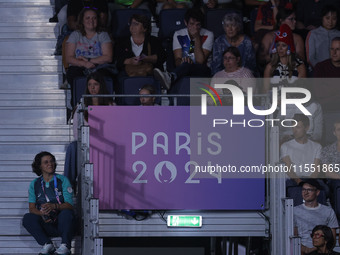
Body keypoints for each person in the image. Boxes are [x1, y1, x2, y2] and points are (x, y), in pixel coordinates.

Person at [22, 152, 75, 255]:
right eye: (46, 162)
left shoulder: (63, 180)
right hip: (47, 224)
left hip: (63, 224)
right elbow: (32, 209)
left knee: (67, 213)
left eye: (51, 161)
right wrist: (42, 214)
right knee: (27, 218)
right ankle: (47, 244)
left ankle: (65, 246)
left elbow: (70, 205)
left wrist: (54, 206)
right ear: (40, 166)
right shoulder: (35, 184)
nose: (50, 164)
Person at [153, 8, 213, 90]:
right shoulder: (178, 34)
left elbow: (200, 61)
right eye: (191, 24)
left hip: (202, 70)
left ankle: (170, 77)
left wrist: (197, 37)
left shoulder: (208, 34)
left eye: (198, 24)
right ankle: (171, 77)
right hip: (184, 68)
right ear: (185, 22)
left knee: (191, 66)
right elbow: (177, 61)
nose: (195, 27)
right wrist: (182, 61)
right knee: (186, 65)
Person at [65, 7, 113, 107]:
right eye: (87, 18)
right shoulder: (75, 35)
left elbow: (108, 57)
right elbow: (69, 58)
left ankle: (104, 106)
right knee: (73, 74)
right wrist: (85, 63)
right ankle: (77, 107)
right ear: (82, 20)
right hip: (79, 65)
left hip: (99, 66)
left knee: (104, 76)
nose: (91, 21)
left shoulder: (103, 35)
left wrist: (90, 60)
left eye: (94, 18)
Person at [114, 14, 166, 84]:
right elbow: (116, 60)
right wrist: (130, 61)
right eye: (131, 23)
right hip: (127, 75)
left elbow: (161, 57)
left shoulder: (154, 41)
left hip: (149, 75)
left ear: (144, 28)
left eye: (136, 24)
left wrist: (146, 58)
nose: (132, 26)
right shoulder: (121, 42)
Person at [294, 179, 338, 254]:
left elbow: (332, 239)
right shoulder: (294, 211)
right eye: (303, 189)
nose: (305, 193)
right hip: (301, 251)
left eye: (309, 190)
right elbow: (293, 237)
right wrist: (306, 250)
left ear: (317, 192)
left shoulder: (328, 211)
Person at [258, 4, 305, 72]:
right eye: (291, 19)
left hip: (291, 70)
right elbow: (261, 58)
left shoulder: (297, 38)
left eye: (295, 19)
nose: (294, 22)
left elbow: (301, 58)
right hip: (272, 70)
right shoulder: (269, 36)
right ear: (281, 20)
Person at [263, 24, 306, 94]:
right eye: (278, 45)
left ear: (289, 48)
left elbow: (301, 90)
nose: (280, 49)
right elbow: (265, 91)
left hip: (294, 101)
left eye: (283, 45)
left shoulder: (299, 66)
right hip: (274, 102)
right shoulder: (270, 66)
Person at [281, 114, 323, 185]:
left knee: (325, 189)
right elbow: (289, 170)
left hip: (311, 180)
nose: (294, 131)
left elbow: (316, 170)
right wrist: (300, 182)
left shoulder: (317, 147)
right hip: (293, 180)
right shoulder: (285, 146)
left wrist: (309, 183)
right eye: (293, 127)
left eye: (298, 127)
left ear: (306, 128)